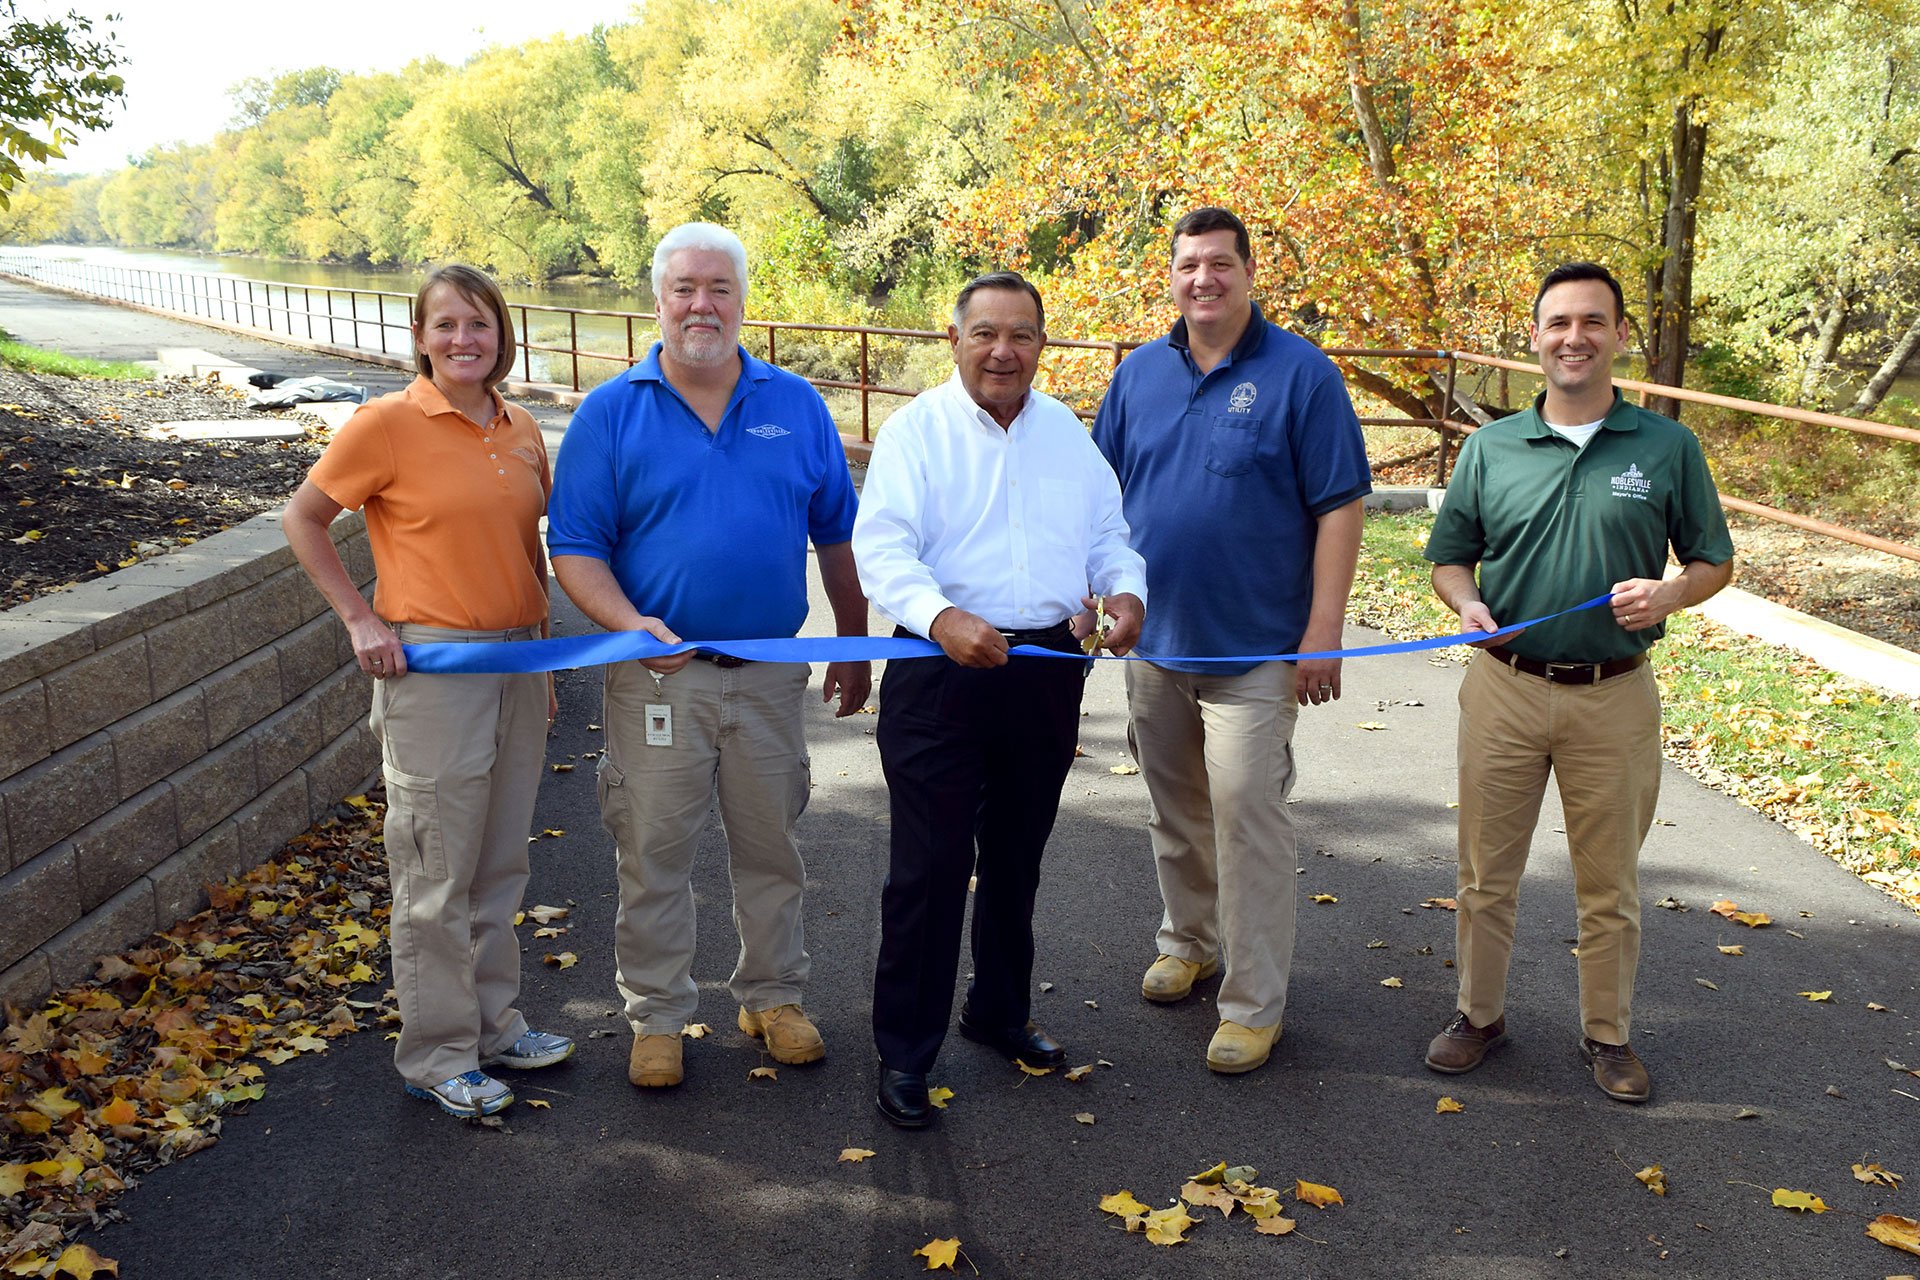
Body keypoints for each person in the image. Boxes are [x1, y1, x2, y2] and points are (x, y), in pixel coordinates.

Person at [546, 222, 870, 1091]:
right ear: (658, 300)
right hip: (658, 677)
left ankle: (772, 997)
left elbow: (837, 534)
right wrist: (632, 624)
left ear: (741, 300)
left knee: (773, 847)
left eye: (719, 288)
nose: (702, 304)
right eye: (685, 288)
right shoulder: (611, 411)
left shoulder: (796, 404)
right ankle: (657, 1015)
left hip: (768, 678)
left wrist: (851, 644)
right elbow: (575, 547)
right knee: (653, 853)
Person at [1421, 261, 1734, 1103]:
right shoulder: (1490, 448)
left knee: (1610, 881)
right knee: (1486, 872)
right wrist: (1467, 602)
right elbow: (1450, 557)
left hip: (1615, 691)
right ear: (1535, 338)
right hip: (1505, 687)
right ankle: (1478, 1017)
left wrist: (1672, 591)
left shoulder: (1667, 447)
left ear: (1620, 335)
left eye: (1593, 322)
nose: (1574, 338)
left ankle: (1609, 1035)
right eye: (1558, 323)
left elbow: (1715, 560)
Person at [853, 271, 1147, 1129]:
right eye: (984, 333)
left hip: (1049, 669)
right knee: (932, 868)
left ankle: (999, 1012)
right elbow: (884, 550)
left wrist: (1123, 594)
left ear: (1042, 347)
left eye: (1020, 335)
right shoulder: (916, 433)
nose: (1002, 351)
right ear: (953, 340)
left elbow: (1108, 539)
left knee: (1017, 857)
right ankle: (906, 1052)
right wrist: (941, 617)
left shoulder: (1067, 434)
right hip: (940, 668)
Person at [282, 264, 573, 1120]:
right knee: (436, 870)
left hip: (517, 667)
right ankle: (438, 1054)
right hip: (434, 670)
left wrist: (544, 664)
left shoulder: (520, 427)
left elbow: (530, 556)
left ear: (500, 336)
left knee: (499, 861)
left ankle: (493, 1025)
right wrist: (360, 619)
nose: (462, 340)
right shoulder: (384, 424)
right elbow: (302, 518)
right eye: (445, 325)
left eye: (478, 325)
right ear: (419, 337)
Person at [1091, 207, 1371, 1075]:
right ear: (1170, 278)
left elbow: (1339, 505)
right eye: (1188, 265)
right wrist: (1095, 598)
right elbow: (1096, 500)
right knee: (1175, 812)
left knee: (1248, 816)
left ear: (1249, 274)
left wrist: (1323, 630)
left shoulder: (1301, 374)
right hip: (1155, 643)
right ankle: (1189, 941)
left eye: (1220, 263)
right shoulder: (1137, 374)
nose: (1203, 279)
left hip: (1257, 652)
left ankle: (1253, 1002)